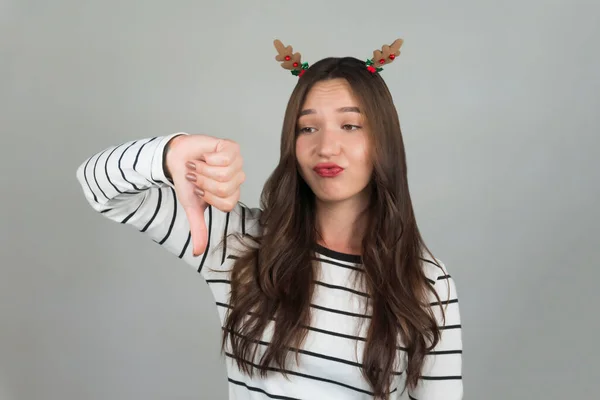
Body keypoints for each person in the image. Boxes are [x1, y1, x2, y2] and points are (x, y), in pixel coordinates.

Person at [76, 39, 463, 400]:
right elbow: (98, 188)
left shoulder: (427, 282)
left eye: (350, 125)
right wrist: (169, 152)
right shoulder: (237, 241)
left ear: (384, 139)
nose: (326, 146)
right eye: (307, 128)